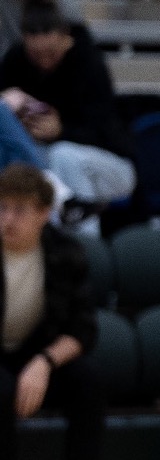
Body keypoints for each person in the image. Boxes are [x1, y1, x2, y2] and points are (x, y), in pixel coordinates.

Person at [0, 163, 101, 460]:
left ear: (44, 213)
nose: (7, 219)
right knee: (1, 391)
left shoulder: (66, 253)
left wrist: (43, 362)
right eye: (2, 207)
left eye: (20, 210)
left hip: (36, 352)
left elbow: (83, 329)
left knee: (88, 381)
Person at [0, 0, 135, 210]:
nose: (44, 61)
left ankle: (76, 227)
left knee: (63, 155)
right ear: (25, 42)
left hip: (106, 160)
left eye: (51, 54)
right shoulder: (15, 60)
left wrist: (62, 131)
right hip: (40, 155)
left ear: (65, 39)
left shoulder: (88, 62)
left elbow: (105, 131)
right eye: (36, 55)